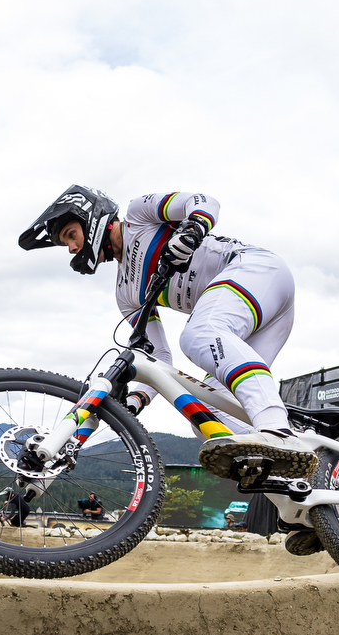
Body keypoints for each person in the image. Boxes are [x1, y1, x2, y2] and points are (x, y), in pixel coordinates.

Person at [20, 185, 317, 485]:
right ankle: (302, 498)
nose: (71, 248)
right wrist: (136, 400)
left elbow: (203, 201)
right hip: (255, 314)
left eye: (71, 235)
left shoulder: (138, 215)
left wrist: (194, 227)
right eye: (65, 244)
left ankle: (275, 430)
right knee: (210, 415)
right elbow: (157, 358)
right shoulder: (126, 294)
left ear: (91, 218)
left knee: (199, 334)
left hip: (255, 269)